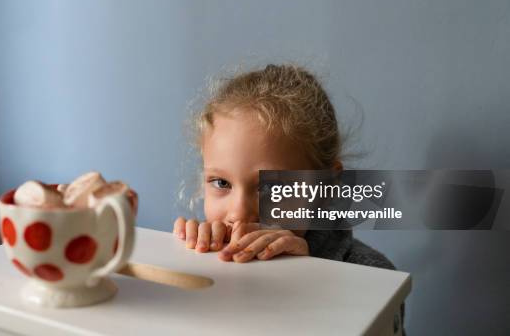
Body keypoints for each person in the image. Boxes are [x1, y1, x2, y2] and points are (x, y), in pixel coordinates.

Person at [172, 63, 405, 334]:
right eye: (221, 183)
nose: (238, 213)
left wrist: (308, 279)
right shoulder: (208, 256)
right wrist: (185, 262)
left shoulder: (373, 277)